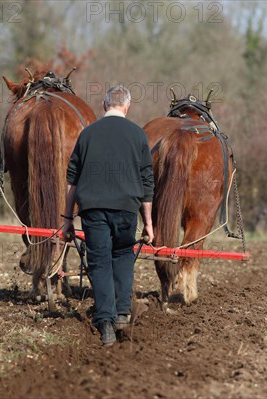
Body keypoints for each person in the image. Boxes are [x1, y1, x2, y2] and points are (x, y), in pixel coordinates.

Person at [62, 84, 154, 346]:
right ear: (127, 106)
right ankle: (123, 312)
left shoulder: (87, 134)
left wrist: (68, 219)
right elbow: (147, 183)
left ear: (104, 105)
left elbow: (73, 180)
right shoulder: (138, 135)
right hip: (126, 208)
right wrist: (148, 223)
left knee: (99, 261)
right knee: (123, 254)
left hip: (93, 209)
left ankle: (105, 324)